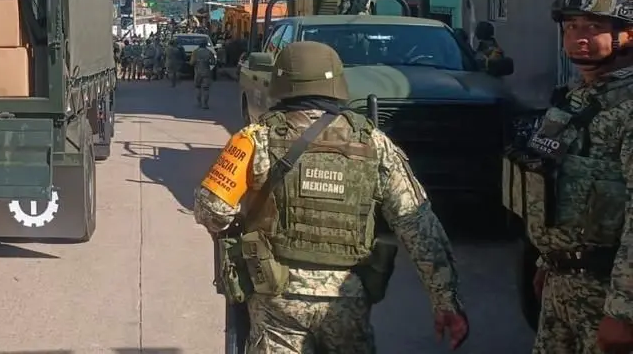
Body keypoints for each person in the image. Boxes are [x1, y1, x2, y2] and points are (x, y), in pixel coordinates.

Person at [195, 41, 469, 353]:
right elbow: (418, 224)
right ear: (337, 82)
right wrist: (445, 300)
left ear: (280, 82)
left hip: (275, 293)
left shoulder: (255, 138)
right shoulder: (375, 143)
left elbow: (211, 208)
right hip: (347, 295)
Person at [505, 0, 633, 353]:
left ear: (628, 34)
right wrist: (548, 261)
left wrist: (624, 312)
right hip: (563, 285)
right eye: (571, 26)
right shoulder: (576, 100)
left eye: (594, 27)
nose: (579, 36)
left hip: (607, 293)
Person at [191, 42, 215, 108]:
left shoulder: (195, 52)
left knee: (198, 87)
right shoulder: (209, 52)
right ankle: (205, 104)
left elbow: (192, 62)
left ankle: (199, 103)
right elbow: (213, 62)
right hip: (207, 72)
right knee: (206, 89)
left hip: (198, 72)